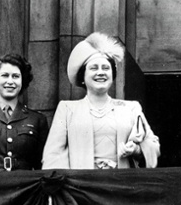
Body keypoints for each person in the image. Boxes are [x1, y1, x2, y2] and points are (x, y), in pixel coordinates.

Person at [42, 32, 160, 169]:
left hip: (122, 185)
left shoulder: (131, 108)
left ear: (112, 74)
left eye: (106, 68)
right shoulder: (67, 109)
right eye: (94, 68)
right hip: (82, 186)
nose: (100, 73)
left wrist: (137, 150)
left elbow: (153, 145)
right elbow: (53, 155)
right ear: (83, 75)